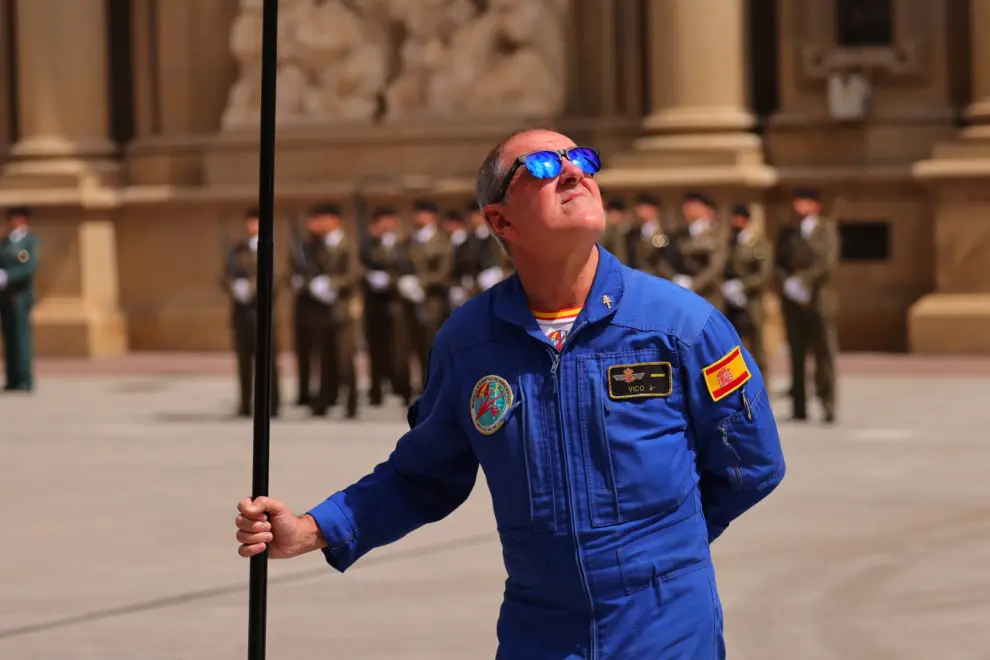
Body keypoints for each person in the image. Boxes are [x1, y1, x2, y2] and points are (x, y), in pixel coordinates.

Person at [234, 129, 786, 659]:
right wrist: (311, 530)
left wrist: (664, 551)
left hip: (665, 631)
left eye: (583, 160)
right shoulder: (470, 344)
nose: (573, 172)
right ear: (500, 219)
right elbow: (421, 477)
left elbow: (749, 463)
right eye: (545, 166)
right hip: (541, 633)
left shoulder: (681, 326)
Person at [774, 188, 839, 423]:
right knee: (797, 354)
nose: (798, 206)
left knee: (824, 355)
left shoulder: (826, 229)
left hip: (818, 299)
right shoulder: (787, 232)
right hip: (793, 302)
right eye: (796, 201)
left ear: (815, 205)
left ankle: (828, 403)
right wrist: (787, 283)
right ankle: (799, 406)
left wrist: (803, 282)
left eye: (804, 202)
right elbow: (778, 262)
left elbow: (827, 263)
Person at [219, 207, 280, 418]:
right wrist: (234, 286)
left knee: (267, 362)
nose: (253, 226)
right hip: (242, 313)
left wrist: (252, 287)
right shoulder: (238, 250)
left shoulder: (271, 248)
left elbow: (276, 276)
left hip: (262, 312)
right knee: (244, 361)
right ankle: (245, 403)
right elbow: (225, 276)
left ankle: (272, 404)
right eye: (251, 221)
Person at [303, 203, 359, 419]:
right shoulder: (316, 246)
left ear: (336, 220)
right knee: (325, 357)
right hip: (322, 311)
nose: (320, 223)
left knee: (345, 358)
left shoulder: (348, 245)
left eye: (324, 218)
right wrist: (313, 284)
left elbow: (353, 274)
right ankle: (324, 400)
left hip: (342, 310)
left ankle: (351, 402)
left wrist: (331, 284)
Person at [359, 206, 412, 406]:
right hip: (375, 304)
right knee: (375, 348)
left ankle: (403, 389)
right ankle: (376, 391)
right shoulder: (370, 244)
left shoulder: (403, 245)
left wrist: (390, 280)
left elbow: (408, 269)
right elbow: (363, 264)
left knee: (399, 349)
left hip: (396, 302)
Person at [400, 200, 453, 394]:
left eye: (424, 213)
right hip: (411, 302)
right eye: (417, 213)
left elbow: (444, 272)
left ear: (433, 217)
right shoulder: (408, 241)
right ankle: (421, 387)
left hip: (433, 303)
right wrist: (404, 282)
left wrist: (420, 282)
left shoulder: (442, 241)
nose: (419, 217)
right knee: (415, 346)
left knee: (433, 347)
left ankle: (436, 388)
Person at [722, 203, 774, 377]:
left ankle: (763, 388)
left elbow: (763, 274)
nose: (736, 222)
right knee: (733, 348)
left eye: (739, 218)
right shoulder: (730, 242)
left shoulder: (758, 243)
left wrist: (742, 286)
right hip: (731, 303)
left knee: (757, 347)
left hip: (752, 301)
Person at [666, 192, 729, 310]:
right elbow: (669, 260)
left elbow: (715, 266)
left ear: (705, 208)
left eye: (693, 205)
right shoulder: (681, 235)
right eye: (686, 205)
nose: (687, 209)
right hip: (684, 296)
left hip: (709, 296)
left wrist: (693, 284)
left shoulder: (715, 233)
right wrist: (674, 278)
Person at [0, 206, 40, 392]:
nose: (11, 222)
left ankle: (25, 378)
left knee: (21, 336)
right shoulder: (6, 242)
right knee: (9, 337)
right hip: (5, 295)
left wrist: (8, 276)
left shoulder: (29, 241)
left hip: (20, 295)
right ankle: (13, 378)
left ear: (23, 220)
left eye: (14, 218)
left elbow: (29, 265)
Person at [287, 211, 323, 407]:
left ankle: (323, 391)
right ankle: (304, 391)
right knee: (303, 352)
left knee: (321, 353)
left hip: (320, 306)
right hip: (303, 306)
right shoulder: (302, 247)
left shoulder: (323, 247)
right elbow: (290, 271)